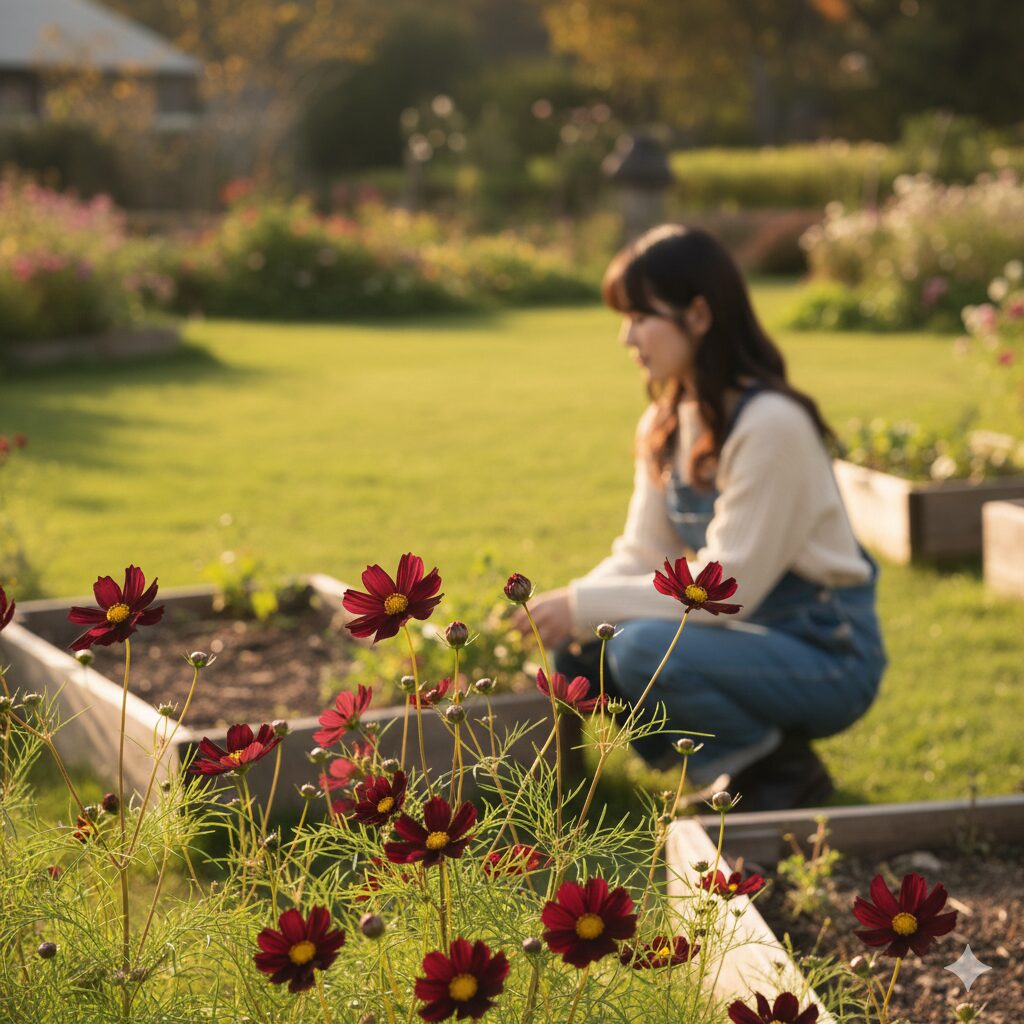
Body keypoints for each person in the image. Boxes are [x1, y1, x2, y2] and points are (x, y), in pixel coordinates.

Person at [513, 225, 887, 812]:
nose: (626, 337)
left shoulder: (771, 424)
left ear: (700, 315)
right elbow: (642, 554)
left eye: (641, 316)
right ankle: (579, 790)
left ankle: (779, 774)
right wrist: (561, 614)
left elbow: (726, 588)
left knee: (638, 648)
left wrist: (582, 604)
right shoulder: (666, 422)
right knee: (587, 650)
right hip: (750, 644)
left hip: (827, 653)